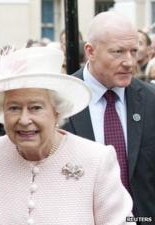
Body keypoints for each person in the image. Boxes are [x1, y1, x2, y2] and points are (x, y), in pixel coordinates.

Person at [0, 46, 134, 224]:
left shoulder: (96, 160)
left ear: (57, 111)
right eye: (14, 108)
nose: (24, 119)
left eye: (35, 108)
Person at [63, 11, 155, 223]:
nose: (129, 62)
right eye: (118, 52)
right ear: (90, 51)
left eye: (133, 51)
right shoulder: (61, 101)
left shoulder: (150, 101)